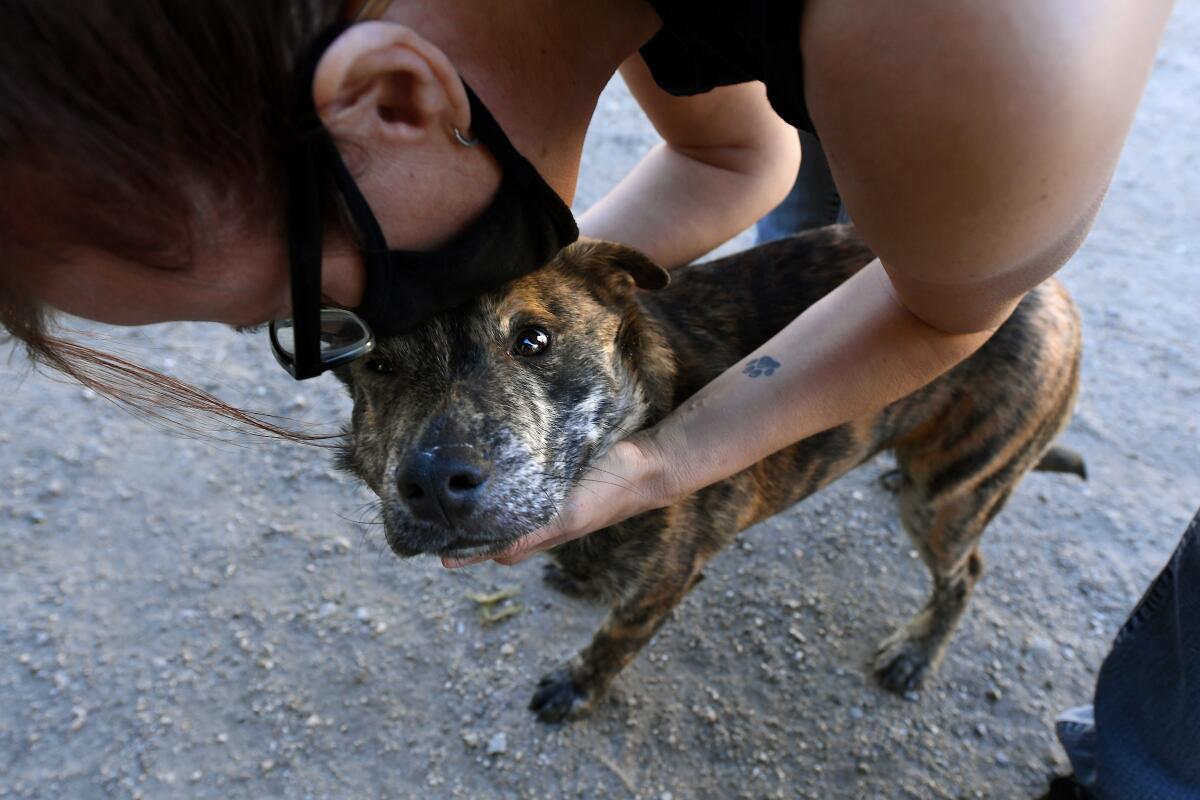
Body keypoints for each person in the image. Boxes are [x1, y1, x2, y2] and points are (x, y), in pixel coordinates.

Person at [0, 2, 1175, 564]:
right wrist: (548, 315)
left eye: (317, 314)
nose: (368, 336)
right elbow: (737, 152)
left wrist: (657, 464)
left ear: (401, 104)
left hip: (962, 89)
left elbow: (941, 309)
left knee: (919, 227)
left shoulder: (964, 51)